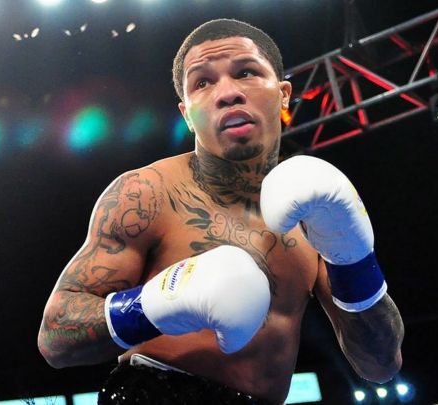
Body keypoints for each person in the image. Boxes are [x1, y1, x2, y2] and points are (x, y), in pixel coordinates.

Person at [37, 19, 404, 405]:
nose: (227, 93)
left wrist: (354, 261)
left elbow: (380, 363)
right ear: (186, 113)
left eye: (246, 72)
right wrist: (155, 304)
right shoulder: (146, 193)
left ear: (283, 94)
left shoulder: (315, 212)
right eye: (202, 82)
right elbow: (55, 339)